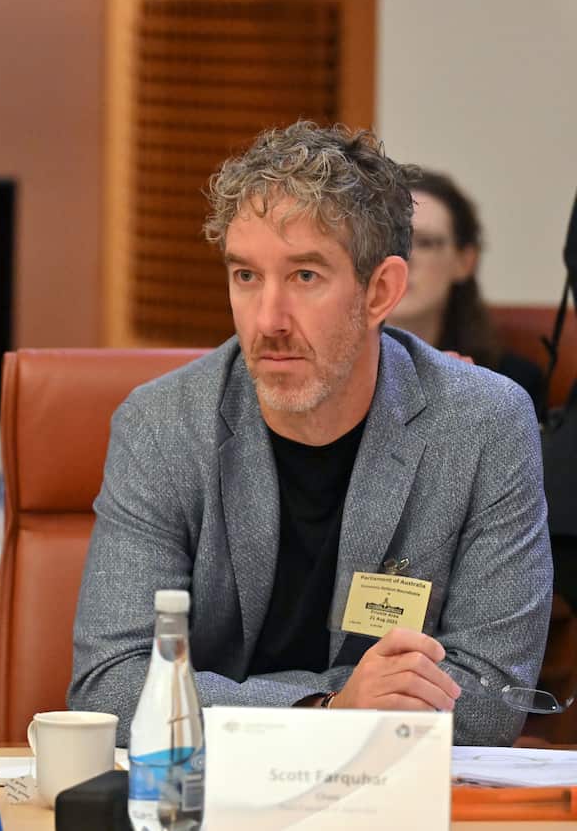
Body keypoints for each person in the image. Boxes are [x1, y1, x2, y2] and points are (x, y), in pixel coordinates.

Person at [69, 121, 551, 747]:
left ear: (381, 292)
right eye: (246, 276)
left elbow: (491, 701)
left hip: (391, 788)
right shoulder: (162, 424)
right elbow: (109, 687)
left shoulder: (483, 424)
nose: (268, 321)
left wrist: (256, 706)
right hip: (210, 788)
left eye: (304, 277)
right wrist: (327, 708)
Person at [388, 169, 546, 418]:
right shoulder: (335, 371)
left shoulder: (510, 383)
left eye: (426, 243)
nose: (404, 258)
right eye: (391, 241)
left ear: (465, 261)